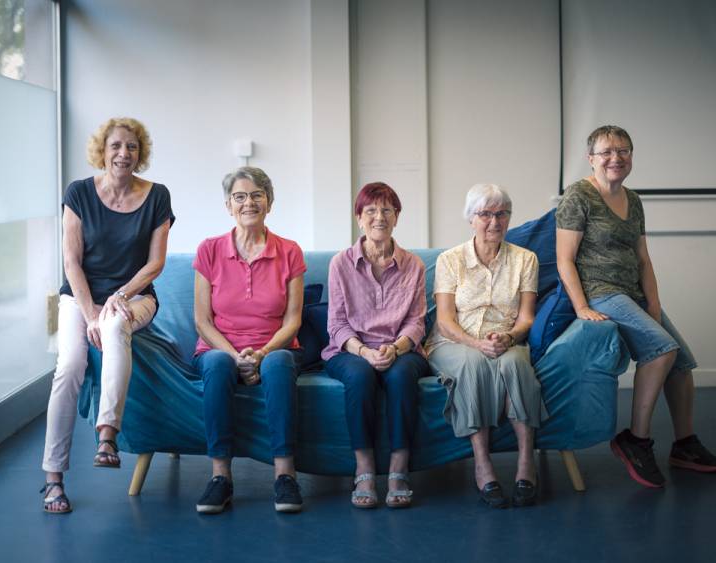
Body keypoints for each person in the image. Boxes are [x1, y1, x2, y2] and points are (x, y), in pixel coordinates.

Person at [556, 125, 716, 489]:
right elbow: (564, 259)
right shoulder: (578, 196)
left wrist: (654, 303)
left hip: (632, 292)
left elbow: (643, 259)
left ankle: (684, 445)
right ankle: (636, 439)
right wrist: (582, 306)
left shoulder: (633, 200)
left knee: (681, 363)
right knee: (662, 349)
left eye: (623, 151)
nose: (615, 158)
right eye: (606, 152)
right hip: (601, 292)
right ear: (591, 159)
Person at [42, 117, 175, 513]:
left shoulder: (157, 196)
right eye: (116, 146)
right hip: (80, 298)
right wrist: (90, 312)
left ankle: (107, 435)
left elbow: (155, 264)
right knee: (68, 366)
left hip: (135, 297)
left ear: (141, 153)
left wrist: (117, 297)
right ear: (103, 151)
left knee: (117, 324)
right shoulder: (79, 193)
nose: (123, 153)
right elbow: (71, 261)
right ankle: (53, 478)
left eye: (132, 147)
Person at [425, 184, 546, 509]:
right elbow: (447, 321)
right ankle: (483, 463)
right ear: (471, 219)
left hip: (504, 339)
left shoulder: (526, 260)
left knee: (516, 364)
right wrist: (475, 343)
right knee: (473, 364)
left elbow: (526, 319)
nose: (494, 221)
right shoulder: (450, 260)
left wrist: (508, 337)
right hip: (454, 341)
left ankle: (525, 462)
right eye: (485, 214)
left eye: (501, 214)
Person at [193, 166, 305, 514]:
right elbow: (202, 320)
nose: (249, 203)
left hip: (275, 346)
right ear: (229, 205)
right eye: (240, 197)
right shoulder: (209, 250)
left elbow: (293, 320)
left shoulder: (289, 251)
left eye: (257, 195)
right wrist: (235, 355)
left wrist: (263, 352)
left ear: (269, 203)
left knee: (279, 363)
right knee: (216, 363)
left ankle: (285, 476)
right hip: (219, 347)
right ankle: (220, 478)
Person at [322, 182, 430, 509]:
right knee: (359, 376)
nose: (379, 217)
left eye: (387, 210)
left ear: (397, 217)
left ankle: (399, 466)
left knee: (400, 376)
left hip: (401, 349)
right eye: (371, 210)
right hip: (351, 349)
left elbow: (416, 322)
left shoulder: (414, 265)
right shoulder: (340, 264)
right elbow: (337, 324)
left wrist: (396, 348)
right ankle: (364, 466)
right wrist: (364, 351)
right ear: (359, 218)